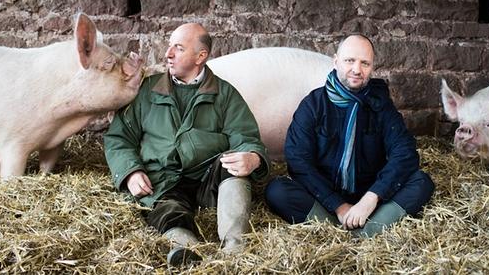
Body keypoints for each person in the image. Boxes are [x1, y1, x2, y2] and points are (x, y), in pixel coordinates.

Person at [104, 23, 269, 265]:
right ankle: (188, 254)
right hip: (162, 183)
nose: (167, 54)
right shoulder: (147, 91)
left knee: (234, 163)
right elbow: (119, 137)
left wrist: (252, 158)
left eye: (178, 48)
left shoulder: (225, 94)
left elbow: (246, 138)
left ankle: (235, 252)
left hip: (208, 182)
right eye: (170, 46)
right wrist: (130, 172)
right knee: (169, 211)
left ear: (200, 56)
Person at [265, 34, 434, 237]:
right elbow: (298, 162)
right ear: (336, 61)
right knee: (277, 190)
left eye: (365, 63)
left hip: (370, 196)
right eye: (349, 61)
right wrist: (339, 206)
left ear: (372, 67)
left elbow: (405, 153)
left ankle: (363, 231)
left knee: (421, 181)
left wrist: (371, 199)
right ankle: (345, 228)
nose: (357, 69)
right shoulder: (313, 105)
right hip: (325, 197)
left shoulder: (381, 105)